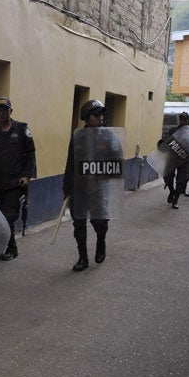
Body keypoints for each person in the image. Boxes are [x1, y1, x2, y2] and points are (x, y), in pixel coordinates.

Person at [0, 97, 36, 261]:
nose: (1, 113)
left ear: (11, 111)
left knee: (6, 217)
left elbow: (31, 154)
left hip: (15, 184)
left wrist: (27, 175)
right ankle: (12, 248)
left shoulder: (22, 129)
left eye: (5, 109)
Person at [62, 100, 109, 272]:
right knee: (79, 224)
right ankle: (83, 258)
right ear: (87, 118)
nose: (100, 118)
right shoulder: (77, 137)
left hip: (99, 189)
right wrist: (66, 188)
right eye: (97, 115)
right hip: (79, 188)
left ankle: (101, 241)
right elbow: (70, 163)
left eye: (102, 114)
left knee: (100, 223)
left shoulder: (108, 136)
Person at [161, 112, 189, 210]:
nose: (182, 121)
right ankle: (172, 191)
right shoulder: (173, 130)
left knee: (181, 180)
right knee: (167, 177)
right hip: (173, 157)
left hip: (185, 159)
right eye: (181, 119)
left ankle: (175, 200)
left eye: (184, 119)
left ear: (188, 120)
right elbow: (166, 141)